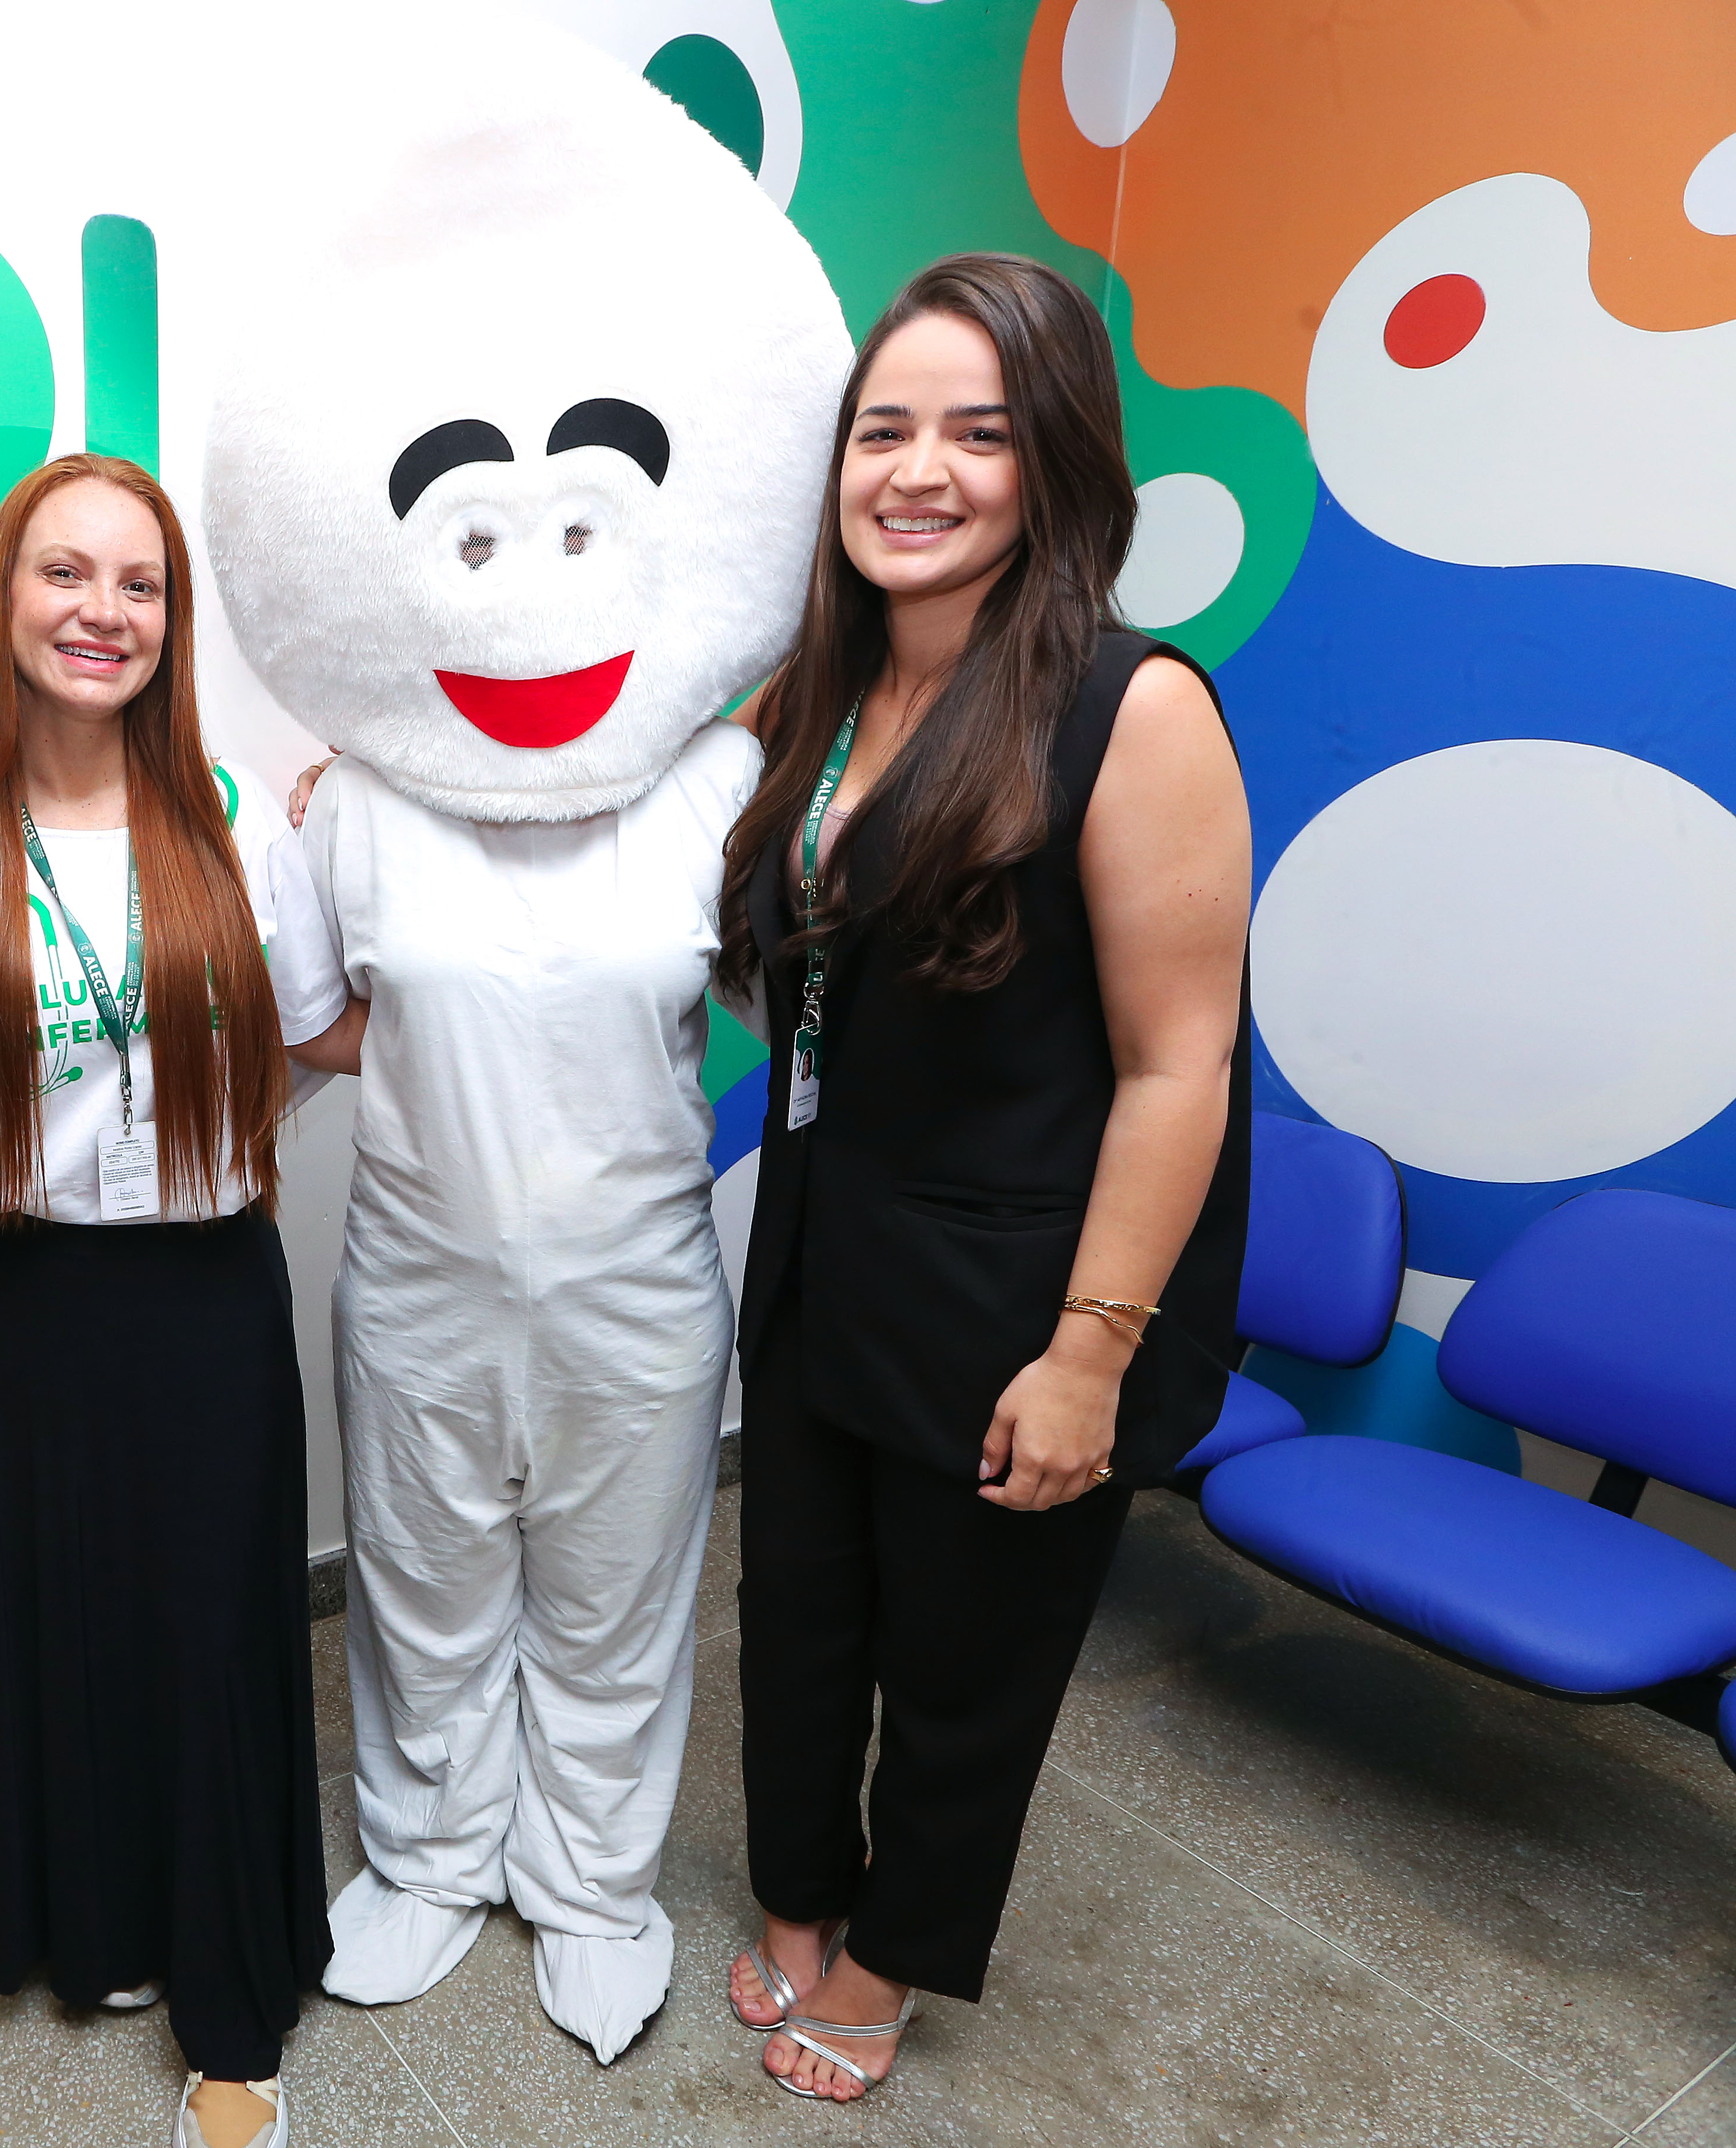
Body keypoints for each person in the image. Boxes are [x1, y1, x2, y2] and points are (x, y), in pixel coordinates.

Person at [714, 253, 1253, 2101]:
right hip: (821, 1255)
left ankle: (886, 1959)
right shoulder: (825, 699)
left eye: (979, 431)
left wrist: (1091, 1353)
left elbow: (1179, 1069)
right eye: (884, 430)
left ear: (1057, 463)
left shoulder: (1131, 709)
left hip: (1017, 1295)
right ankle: (799, 1888)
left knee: (964, 1669)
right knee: (798, 1619)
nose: (917, 471)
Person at [0, 453, 352, 2148]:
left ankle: (228, 2002)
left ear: (171, 622)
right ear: (6, 599)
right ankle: (94, 1923)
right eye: (66, 574)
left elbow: (323, 1034)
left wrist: (412, 837)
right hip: (14, 1304)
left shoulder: (235, 825)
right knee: (49, 1623)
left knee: (209, 1640)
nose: (102, 613)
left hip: (206, 1302)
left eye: (140, 585)